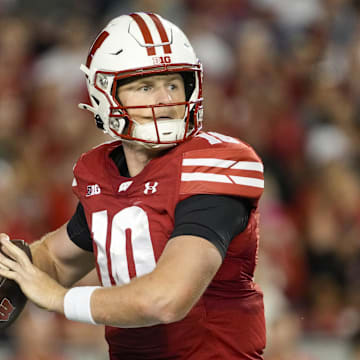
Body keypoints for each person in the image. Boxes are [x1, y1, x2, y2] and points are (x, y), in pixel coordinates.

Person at [0, 12, 266, 359]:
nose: (166, 99)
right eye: (145, 86)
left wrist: (58, 298)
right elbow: (57, 259)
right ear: (104, 94)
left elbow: (166, 299)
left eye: (173, 83)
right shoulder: (104, 173)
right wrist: (13, 267)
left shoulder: (213, 167)